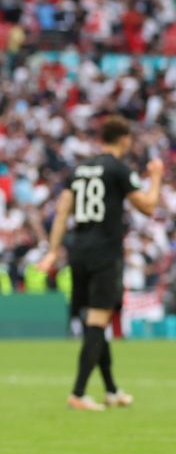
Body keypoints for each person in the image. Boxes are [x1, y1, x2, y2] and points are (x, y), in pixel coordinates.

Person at [38, 116, 164, 411]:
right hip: (105, 252)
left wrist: (52, 251)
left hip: (78, 251)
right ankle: (79, 393)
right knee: (98, 321)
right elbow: (147, 206)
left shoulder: (79, 170)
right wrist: (156, 176)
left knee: (98, 318)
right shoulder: (118, 169)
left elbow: (62, 212)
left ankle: (111, 389)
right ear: (124, 139)